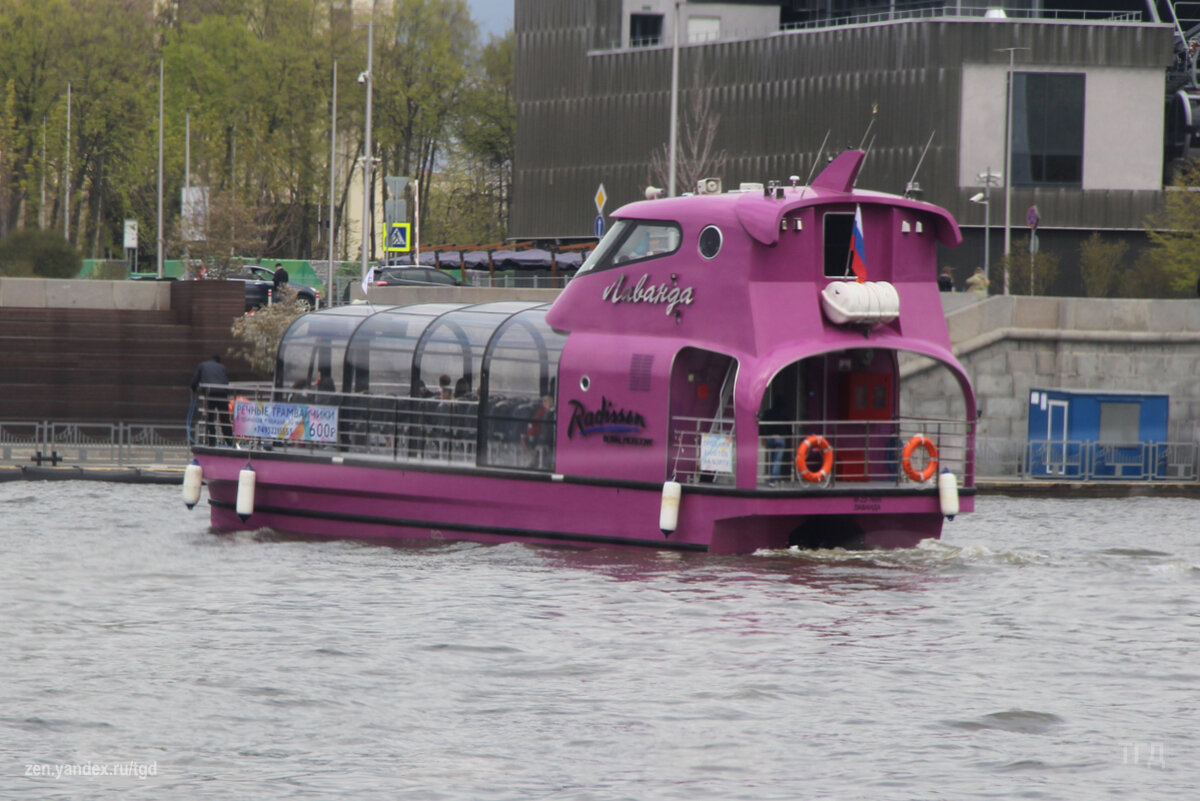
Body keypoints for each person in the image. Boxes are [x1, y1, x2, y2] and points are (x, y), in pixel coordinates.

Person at [190, 354, 230, 445]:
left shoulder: (202, 365)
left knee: (210, 418)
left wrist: (194, 389)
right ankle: (229, 440)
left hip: (210, 393)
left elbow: (194, 381)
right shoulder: (222, 367)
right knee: (224, 418)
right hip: (222, 393)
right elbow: (226, 381)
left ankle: (212, 440)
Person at [760, 402, 790, 484]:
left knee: (773, 459)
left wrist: (762, 437)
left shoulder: (767, 413)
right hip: (780, 438)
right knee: (777, 460)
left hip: (770, 438)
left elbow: (762, 425)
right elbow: (788, 426)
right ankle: (773, 480)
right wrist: (790, 437)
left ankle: (776, 478)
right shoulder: (784, 413)